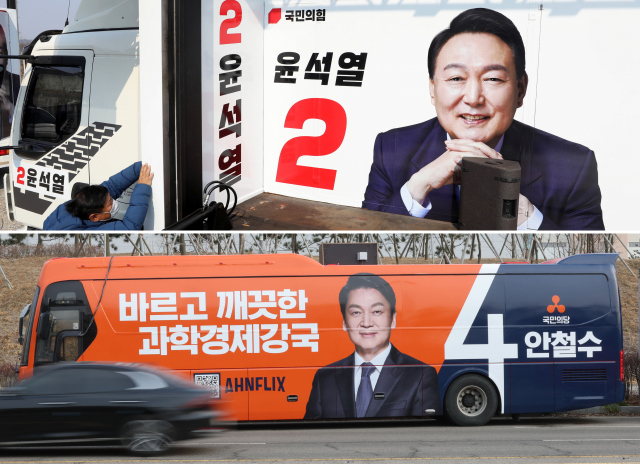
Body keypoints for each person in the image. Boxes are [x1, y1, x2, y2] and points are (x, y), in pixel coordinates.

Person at [362, 8, 604, 231]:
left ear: (520, 90)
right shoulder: (392, 148)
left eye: (493, 79)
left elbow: (588, 267)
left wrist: (519, 211)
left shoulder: (573, 166)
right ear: (433, 89)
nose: (473, 98)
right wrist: (417, 187)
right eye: (456, 78)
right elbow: (362, 245)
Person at [304, 274, 440, 419]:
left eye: (377, 312)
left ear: (393, 319)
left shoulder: (420, 375)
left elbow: (423, 432)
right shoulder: (325, 377)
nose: (367, 323)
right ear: (344, 322)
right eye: (356, 312)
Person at [43, 162, 153, 230]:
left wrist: (143, 165)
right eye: (110, 205)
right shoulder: (83, 231)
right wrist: (143, 186)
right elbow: (129, 227)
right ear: (94, 217)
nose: (114, 204)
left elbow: (113, 185)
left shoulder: (84, 203)